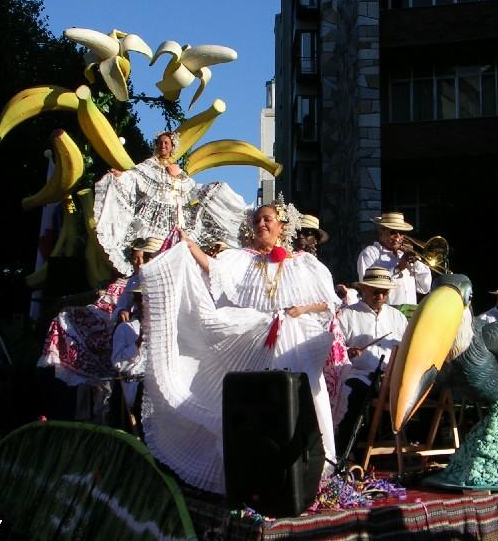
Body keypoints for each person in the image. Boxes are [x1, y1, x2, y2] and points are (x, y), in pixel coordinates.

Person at [139, 195, 341, 494]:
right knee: (257, 403)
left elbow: (328, 302)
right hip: (255, 338)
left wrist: (300, 310)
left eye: (267, 219)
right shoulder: (241, 259)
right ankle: (258, 472)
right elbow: (213, 269)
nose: (261, 224)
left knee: (302, 397)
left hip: (293, 340)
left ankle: (310, 472)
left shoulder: (305, 263)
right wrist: (190, 246)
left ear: (281, 227)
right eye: (257, 219)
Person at [93, 129, 246, 275]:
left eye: (166, 143)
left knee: (178, 249)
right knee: (151, 248)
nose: (163, 146)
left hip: (177, 216)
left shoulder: (177, 170)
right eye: (160, 143)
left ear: (172, 147)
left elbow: (190, 187)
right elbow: (133, 177)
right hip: (154, 216)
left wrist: (213, 188)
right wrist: (120, 175)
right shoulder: (149, 165)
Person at [334, 267, 408, 455]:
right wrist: (348, 352)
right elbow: (334, 347)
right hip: (359, 374)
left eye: (385, 292)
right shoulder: (348, 314)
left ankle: (405, 451)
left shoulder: (397, 317)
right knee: (355, 395)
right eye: (376, 291)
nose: (381, 296)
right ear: (364, 289)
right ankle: (346, 453)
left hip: (390, 376)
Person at [357, 211, 431, 306]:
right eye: (393, 232)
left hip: (410, 315)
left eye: (401, 233)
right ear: (381, 231)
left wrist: (417, 263)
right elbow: (367, 287)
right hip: (386, 314)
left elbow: (424, 288)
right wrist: (398, 268)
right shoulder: (370, 253)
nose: (398, 237)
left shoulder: (405, 255)